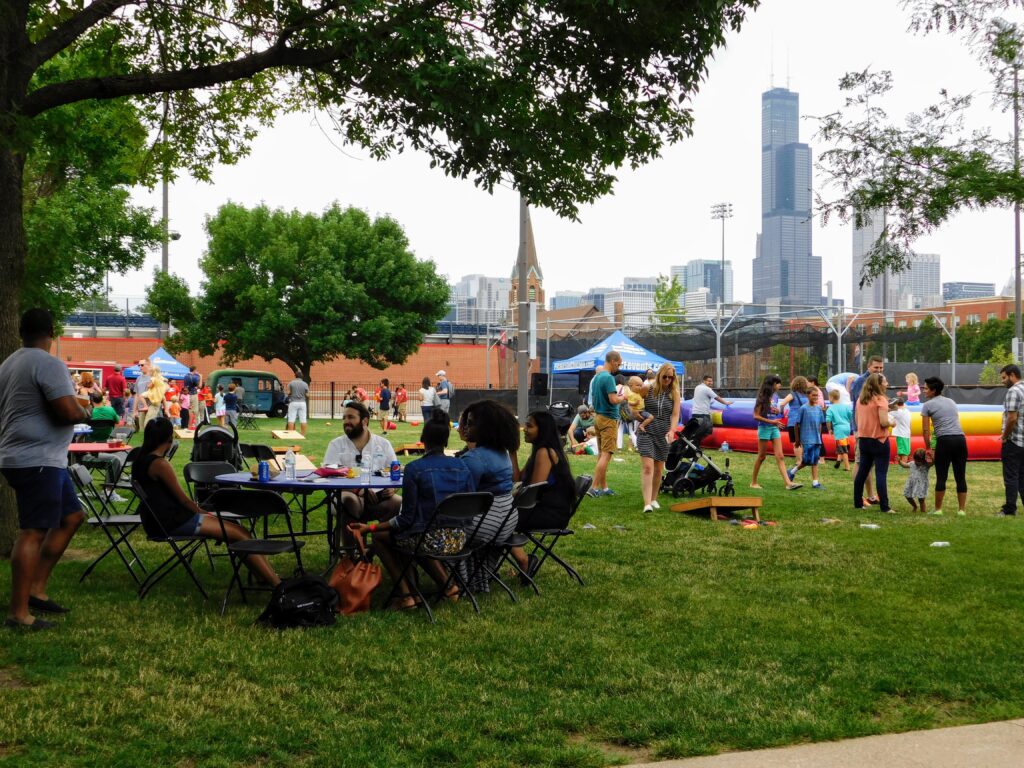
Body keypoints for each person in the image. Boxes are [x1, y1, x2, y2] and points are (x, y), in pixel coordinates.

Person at [1, 309, 89, 629]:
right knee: (33, 531)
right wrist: (85, 411)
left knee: (71, 517)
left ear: (21, 332)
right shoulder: (47, 363)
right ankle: (19, 614)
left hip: (38, 458)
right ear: (51, 332)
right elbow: (68, 411)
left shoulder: (9, 364)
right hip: (37, 460)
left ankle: (36, 590)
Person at [133, 417, 280, 586]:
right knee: (241, 533)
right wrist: (207, 514)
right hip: (173, 521)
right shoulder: (160, 464)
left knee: (236, 532)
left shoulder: (139, 462)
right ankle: (277, 584)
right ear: (169, 439)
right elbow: (184, 501)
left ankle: (263, 578)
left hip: (154, 521)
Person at [349, 412, 470, 609]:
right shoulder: (463, 466)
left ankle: (407, 596)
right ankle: (447, 587)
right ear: (446, 441)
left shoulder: (415, 469)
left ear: (423, 440)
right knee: (410, 535)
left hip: (430, 540)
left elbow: (405, 519)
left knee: (384, 537)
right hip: (460, 539)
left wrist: (370, 528)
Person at [457, 400, 520, 592]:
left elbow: (460, 497)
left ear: (485, 427)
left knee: (427, 527)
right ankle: (477, 579)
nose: (465, 427)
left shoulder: (474, 459)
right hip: (506, 522)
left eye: (470, 423)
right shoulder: (502, 452)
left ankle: (451, 583)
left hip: (483, 525)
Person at [511, 411, 576, 579]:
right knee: (498, 518)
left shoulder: (545, 452)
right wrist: (512, 452)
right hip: (543, 510)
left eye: (530, 426)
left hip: (549, 514)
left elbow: (531, 492)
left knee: (497, 521)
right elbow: (517, 479)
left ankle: (524, 561)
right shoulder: (539, 452)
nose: (525, 429)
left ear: (543, 429)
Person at [323, 401, 401, 529]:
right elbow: (328, 475)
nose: (346, 421)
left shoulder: (383, 444)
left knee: (398, 502)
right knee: (349, 501)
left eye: (351, 417)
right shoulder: (336, 445)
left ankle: (379, 539)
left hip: (377, 498)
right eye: (344, 418)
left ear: (364, 421)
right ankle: (352, 542)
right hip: (346, 495)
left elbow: (395, 472)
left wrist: (392, 488)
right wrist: (358, 490)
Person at [636, 363, 681, 513]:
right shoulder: (647, 388)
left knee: (659, 469)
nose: (667, 380)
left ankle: (654, 498)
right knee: (648, 467)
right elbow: (635, 404)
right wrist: (637, 415)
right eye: (665, 377)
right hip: (646, 430)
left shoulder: (674, 393)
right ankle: (647, 503)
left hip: (663, 432)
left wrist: (672, 430)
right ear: (659, 375)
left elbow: (675, 414)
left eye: (670, 377)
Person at [920, 376, 968, 516]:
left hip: (944, 440)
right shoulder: (951, 401)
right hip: (960, 440)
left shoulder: (927, 405)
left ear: (933, 390)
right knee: (960, 476)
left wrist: (928, 448)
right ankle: (961, 510)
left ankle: (938, 509)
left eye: (926, 388)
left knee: (941, 476)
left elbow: (925, 430)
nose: (923, 391)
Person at [588, 350, 630, 497]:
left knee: (602, 454)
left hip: (598, 417)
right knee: (606, 454)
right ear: (613, 361)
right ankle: (593, 488)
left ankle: (604, 487)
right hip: (608, 419)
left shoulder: (597, 377)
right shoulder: (608, 378)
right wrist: (624, 397)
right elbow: (613, 400)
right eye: (619, 363)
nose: (619, 366)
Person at [751, 374, 801, 490]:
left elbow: (772, 411)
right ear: (772, 384)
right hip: (765, 428)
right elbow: (756, 416)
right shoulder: (762, 397)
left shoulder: (775, 396)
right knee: (762, 456)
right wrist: (772, 421)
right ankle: (753, 482)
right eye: (778, 383)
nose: (780, 385)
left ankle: (788, 483)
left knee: (780, 456)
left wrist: (777, 411)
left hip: (774, 428)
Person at [853, 373, 893, 513]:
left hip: (864, 440)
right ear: (879, 384)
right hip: (880, 441)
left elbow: (857, 420)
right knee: (881, 474)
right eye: (885, 382)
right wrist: (892, 422)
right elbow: (883, 422)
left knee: (862, 472)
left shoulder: (861, 400)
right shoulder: (881, 400)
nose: (887, 384)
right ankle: (885, 507)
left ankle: (858, 503)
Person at [849, 356, 885, 505]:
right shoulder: (860, 382)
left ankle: (870, 495)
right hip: (862, 428)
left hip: (872, 428)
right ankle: (859, 496)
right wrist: (857, 429)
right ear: (868, 366)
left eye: (881, 368)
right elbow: (860, 406)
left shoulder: (878, 381)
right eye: (876, 367)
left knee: (868, 464)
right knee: (860, 462)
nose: (879, 370)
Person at [787, 387, 826, 488]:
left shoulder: (819, 408)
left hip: (816, 439)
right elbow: (796, 425)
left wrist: (819, 436)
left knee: (815, 460)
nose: (815, 397)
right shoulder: (803, 408)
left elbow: (820, 423)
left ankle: (815, 482)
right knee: (807, 460)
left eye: (817, 395)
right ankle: (792, 471)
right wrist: (797, 440)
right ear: (808, 396)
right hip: (807, 438)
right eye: (813, 395)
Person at [999, 364, 1024, 516]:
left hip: (1014, 441)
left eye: (1004, 378)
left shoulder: (1013, 391)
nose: (1002, 381)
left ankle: (1010, 509)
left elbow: (1012, 418)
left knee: (1011, 477)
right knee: (1022, 476)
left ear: (1012, 375)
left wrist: (1004, 436)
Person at [685, 373, 732, 446]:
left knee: (698, 430)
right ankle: (693, 442)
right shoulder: (707, 389)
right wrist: (726, 403)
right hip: (703, 413)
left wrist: (710, 402)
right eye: (708, 381)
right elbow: (717, 397)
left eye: (711, 381)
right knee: (707, 430)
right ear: (704, 381)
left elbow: (702, 398)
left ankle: (694, 443)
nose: (710, 383)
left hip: (695, 413)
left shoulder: (697, 387)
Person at [780, 375, 809, 469]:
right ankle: (804, 459)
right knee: (804, 441)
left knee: (796, 442)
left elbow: (782, 404)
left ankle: (799, 461)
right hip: (805, 421)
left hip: (794, 421)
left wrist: (781, 413)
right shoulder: (807, 395)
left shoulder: (793, 394)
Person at [826, 388, 853, 471]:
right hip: (847, 427)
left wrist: (829, 429)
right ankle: (838, 461)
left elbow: (828, 420)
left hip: (839, 429)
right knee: (842, 444)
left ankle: (847, 467)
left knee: (842, 447)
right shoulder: (845, 406)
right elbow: (850, 416)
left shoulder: (831, 408)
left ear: (831, 397)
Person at [624, 376, 653, 450]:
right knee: (650, 418)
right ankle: (641, 426)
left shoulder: (639, 393)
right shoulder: (631, 394)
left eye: (641, 385)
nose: (640, 387)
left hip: (641, 410)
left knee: (638, 427)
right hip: (637, 411)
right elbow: (629, 403)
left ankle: (638, 434)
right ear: (631, 386)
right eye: (637, 385)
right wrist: (634, 403)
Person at [904, 448, 932, 514]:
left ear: (924, 460)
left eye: (919, 461)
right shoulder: (912, 463)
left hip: (921, 485)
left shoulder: (926, 465)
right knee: (907, 496)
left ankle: (923, 511)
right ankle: (915, 506)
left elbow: (933, 462)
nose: (917, 462)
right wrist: (899, 461)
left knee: (921, 499)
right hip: (911, 483)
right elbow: (904, 465)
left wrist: (930, 456)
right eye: (916, 460)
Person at [140, 367, 168, 431]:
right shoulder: (160, 378)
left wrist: (148, 385)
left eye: (150, 372)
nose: (149, 373)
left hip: (152, 393)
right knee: (163, 398)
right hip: (158, 394)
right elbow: (166, 380)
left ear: (153, 372)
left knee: (141, 396)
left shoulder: (153, 378)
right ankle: (166, 410)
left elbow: (150, 386)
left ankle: (145, 406)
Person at [891, 397, 911, 468]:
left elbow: (887, 412)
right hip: (906, 434)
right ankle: (901, 467)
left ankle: (902, 467)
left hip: (902, 435)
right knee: (904, 451)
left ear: (896, 404)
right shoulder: (907, 410)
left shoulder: (898, 412)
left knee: (904, 452)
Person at [132, 358, 152, 425]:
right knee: (142, 428)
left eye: (142, 365)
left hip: (151, 407)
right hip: (141, 408)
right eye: (139, 365)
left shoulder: (153, 377)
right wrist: (134, 411)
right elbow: (137, 395)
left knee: (150, 427)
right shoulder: (138, 378)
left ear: (148, 365)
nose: (140, 367)